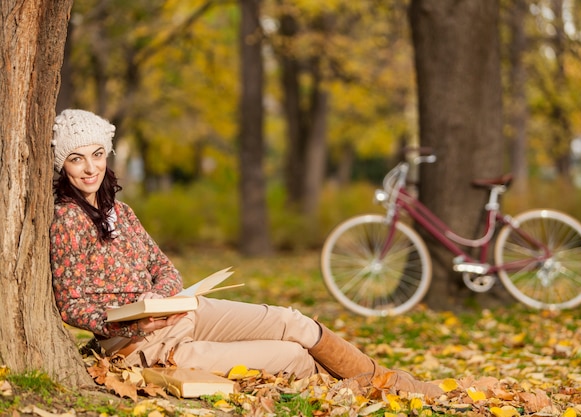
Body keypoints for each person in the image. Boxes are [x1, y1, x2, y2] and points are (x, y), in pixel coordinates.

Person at [50, 109, 442, 398]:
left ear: (107, 155)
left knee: (296, 323)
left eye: (97, 154)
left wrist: (164, 296)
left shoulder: (121, 211)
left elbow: (161, 264)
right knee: (291, 357)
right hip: (142, 345)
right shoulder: (66, 220)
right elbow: (71, 306)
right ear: (62, 165)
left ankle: (392, 381)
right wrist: (135, 324)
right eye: (76, 158)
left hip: (182, 312)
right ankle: (384, 392)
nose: (89, 168)